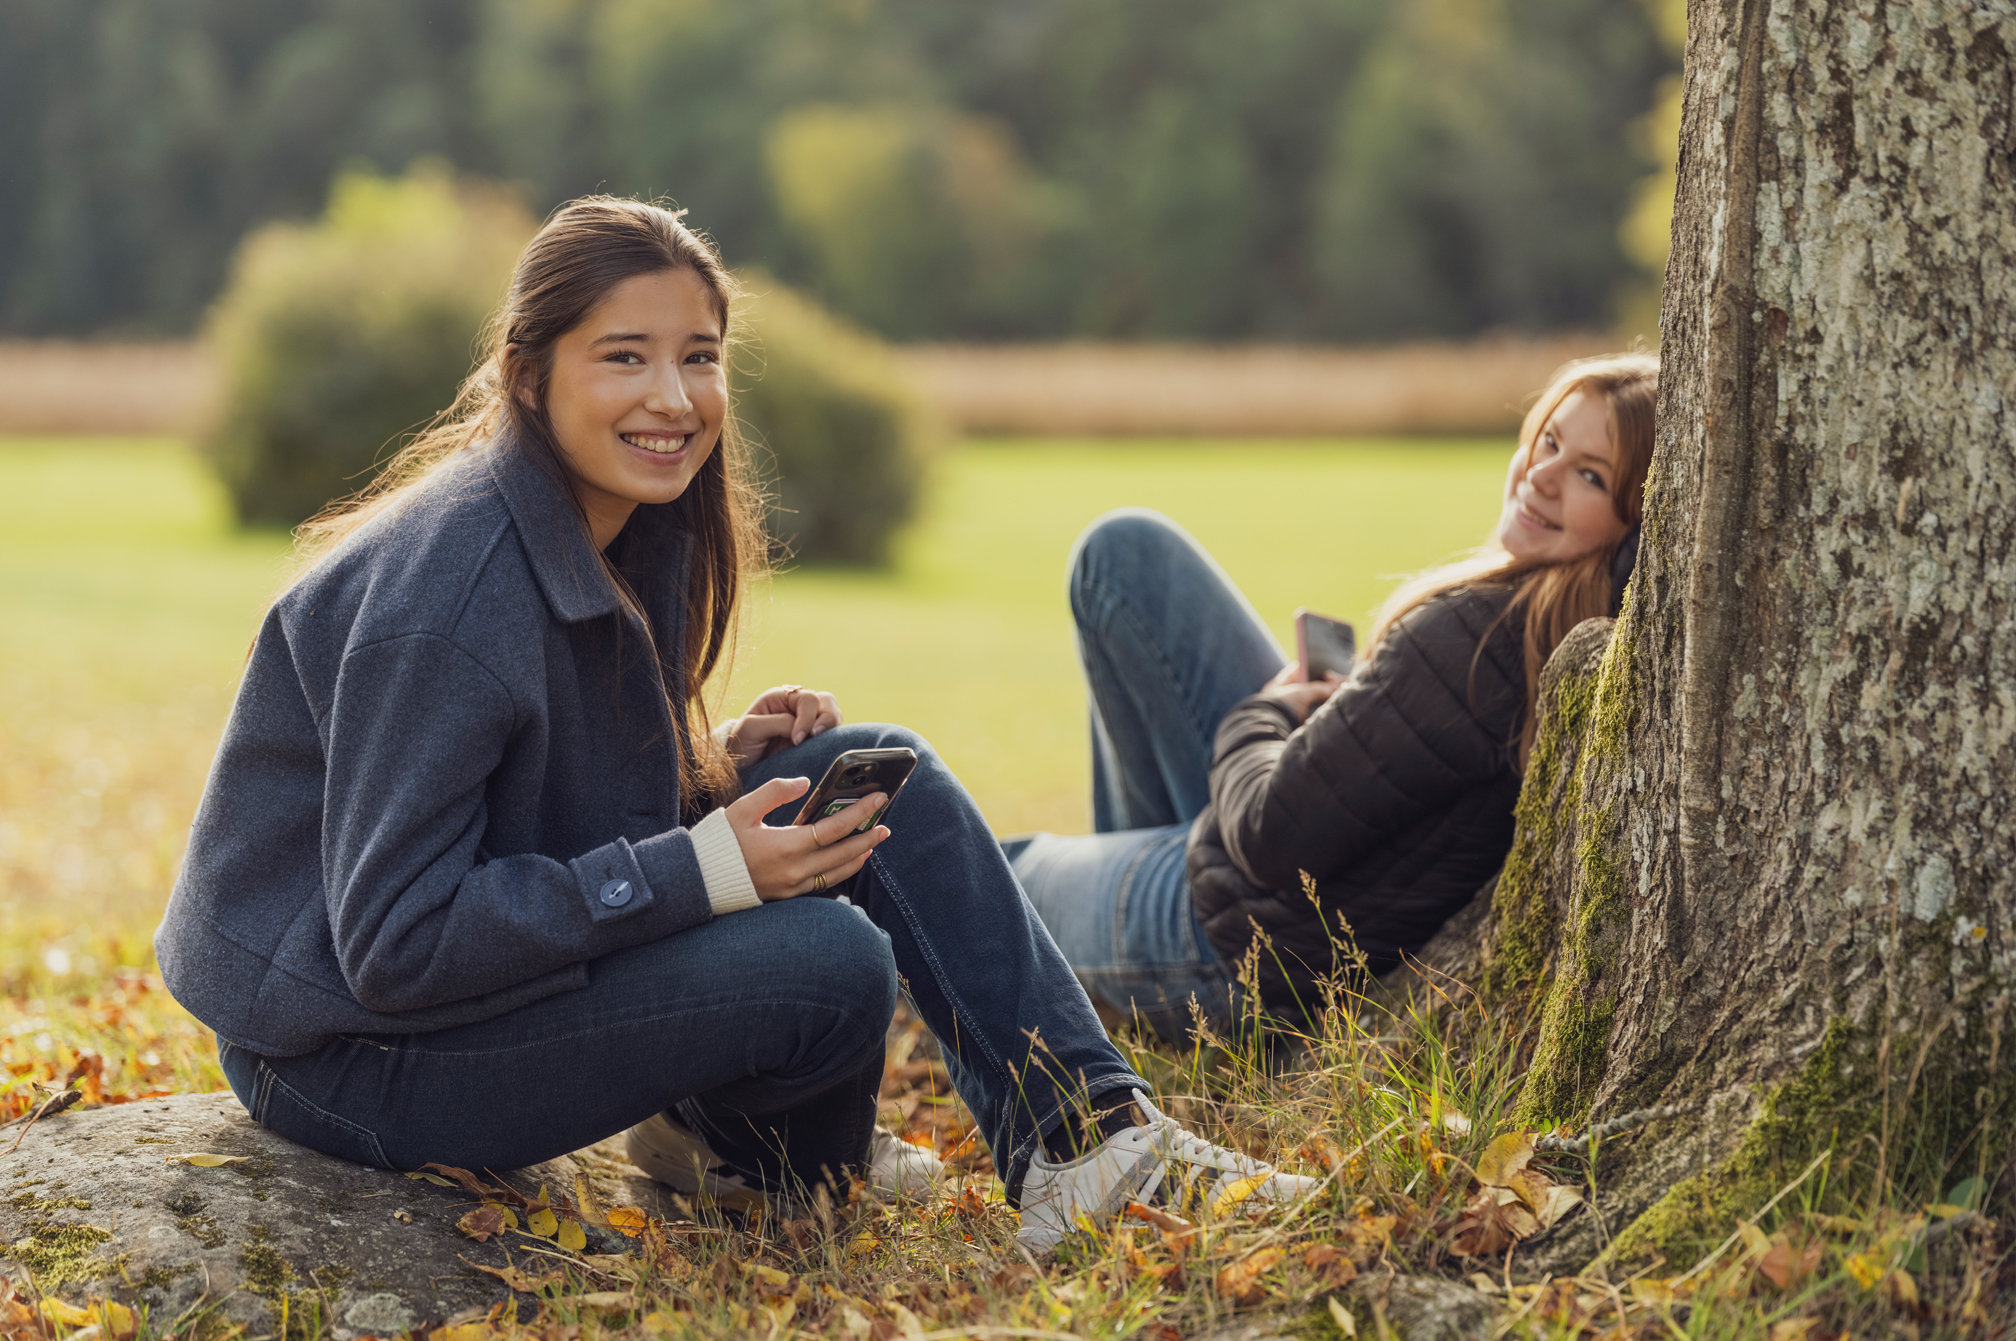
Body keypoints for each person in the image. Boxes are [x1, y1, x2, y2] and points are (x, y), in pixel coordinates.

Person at [154, 196, 1316, 1254]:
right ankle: (754, 1169)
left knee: (875, 783)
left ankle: (1091, 1143)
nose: (673, 398)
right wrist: (708, 864)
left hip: (443, 999)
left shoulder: (616, 526)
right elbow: (400, 943)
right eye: (625, 358)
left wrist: (707, 777)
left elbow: (526, 802)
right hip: (347, 1055)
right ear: (524, 373)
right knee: (829, 963)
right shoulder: (446, 599)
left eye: (699, 358)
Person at [1007, 355, 1657, 1040]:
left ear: (1637, 518)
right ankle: (1107, 960)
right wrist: (1351, 712)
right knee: (1123, 557)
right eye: (1549, 440)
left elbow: (1266, 834)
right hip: (1272, 891)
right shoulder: (1550, 629)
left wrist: (1266, 711)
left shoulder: (1479, 640)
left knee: (998, 866)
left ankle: (1107, 963)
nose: (1542, 475)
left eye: (1590, 474)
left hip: (1241, 949)